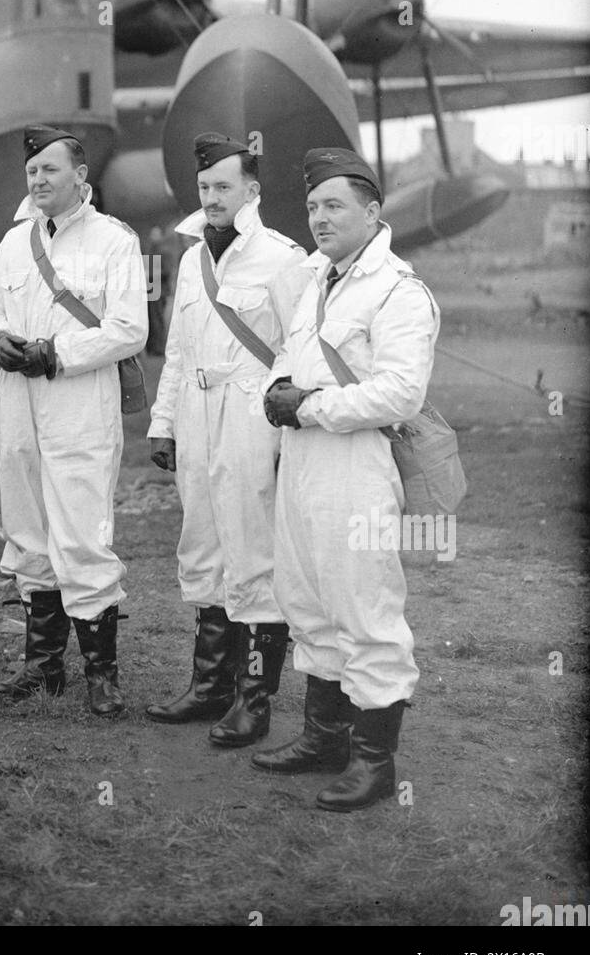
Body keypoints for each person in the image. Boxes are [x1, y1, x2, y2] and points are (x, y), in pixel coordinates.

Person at [255, 147, 440, 812]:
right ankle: (324, 739)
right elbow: (291, 355)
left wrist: (308, 405)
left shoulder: (398, 291)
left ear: (372, 211)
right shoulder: (313, 282)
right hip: (304, 460)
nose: (319, 218)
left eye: (334, 205)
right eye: (312, 206)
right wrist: (279, 387)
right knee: (306, 598)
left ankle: (374, 763)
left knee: (364, 606)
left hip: (359, 464)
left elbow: (401, 393)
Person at [0, 125, 148, 717]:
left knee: (81, 532)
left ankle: (102, 673)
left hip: (79, 399)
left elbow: (130, 329)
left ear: (80, 175)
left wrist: (58, 353)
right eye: (32, 171)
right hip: (17, 401)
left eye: (50, 169)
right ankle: (43, 666)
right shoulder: (13, 242)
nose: (39, 179)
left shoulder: (113, 241)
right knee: (28, 530)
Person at [145, 133, 307, 747]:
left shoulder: (283, 259)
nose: (211, 197)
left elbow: (298, 349)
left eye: (223, 186)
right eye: (204, 187)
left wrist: (282, 427)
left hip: (250, 415)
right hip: (196, 412)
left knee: (253, 553)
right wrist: (163, 422)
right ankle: (210, 685)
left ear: (252, 190)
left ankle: (254, 699)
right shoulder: (192, 260)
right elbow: (177, 351)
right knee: (204, 546)